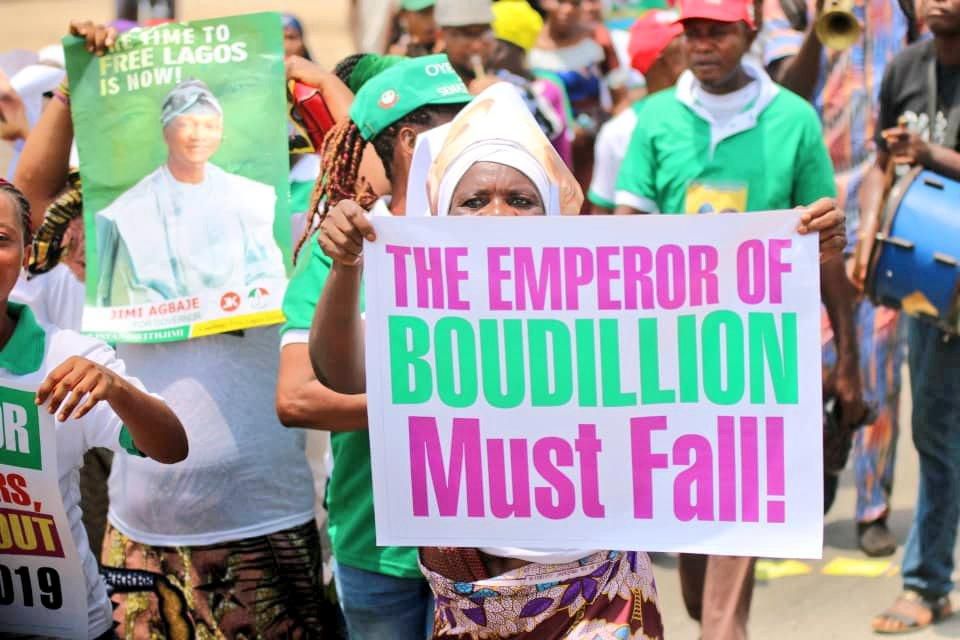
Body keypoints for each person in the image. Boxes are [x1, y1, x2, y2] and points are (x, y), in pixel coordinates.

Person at [613, 0, 865, 637]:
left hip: (760, 365)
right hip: (672, 361)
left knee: (729, 575)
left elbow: (825, 247)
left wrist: (849, 360)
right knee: (695, 578)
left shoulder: (792, 119)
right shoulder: (656, 121)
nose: (702, 44)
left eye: (716, 31)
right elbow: (624, 241)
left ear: (748, 31)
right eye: (692, 32)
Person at [280, 55, 471, 640]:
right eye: (458, 127)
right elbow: (296, 399)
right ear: (411, 140)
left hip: (484, 542)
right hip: (375, 542)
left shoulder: (502, 238)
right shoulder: (339, 245)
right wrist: (423, 407)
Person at [0, 178, 187, 640]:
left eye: (0, 239)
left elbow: (171, 446)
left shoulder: (63, 358)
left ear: (27, 256)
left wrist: (118, 390)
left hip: (61, 625)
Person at [763, 0, 915, 555]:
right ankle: (805, 491)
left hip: (887, 195)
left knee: (878, 361)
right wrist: (819, 27)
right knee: (805, 361)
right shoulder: (788, 7)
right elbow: (787, 89)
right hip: (810, 201)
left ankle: (873, 507)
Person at [852, 0, 960, 631]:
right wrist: (868, 237)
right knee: (937, 442)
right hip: (935, 292)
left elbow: (919, 156)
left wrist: (933, 155)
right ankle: (927, 584)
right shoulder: (906, 69)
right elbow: (881, 166)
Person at [95, 79, 285, 307]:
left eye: (209, 126)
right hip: (163, 340)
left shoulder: (247, 196)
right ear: (166, 131)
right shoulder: (133, 209)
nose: (198, 135)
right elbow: (129, 295)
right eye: (186, 124)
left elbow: (267, 276)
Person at [588, 9, 685, 213]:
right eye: (683, 47)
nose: (699, 49)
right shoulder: (619, 131)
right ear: (662, 61)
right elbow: (602, 213)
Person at [530, 0, 624, 196]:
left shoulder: (597, 40)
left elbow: (621, 96)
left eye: (574, 3)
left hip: (591, 149)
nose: (566, 10)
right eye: (560, 2)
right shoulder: (528, 43)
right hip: (545, 148)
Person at [488, 0, 574, 166]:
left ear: (514, 49)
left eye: (495, 46)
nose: (486, 52)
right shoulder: (486, 82)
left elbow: (563, 151)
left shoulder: (547, 89)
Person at [434, 0, 496, 83]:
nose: (476, 46)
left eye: (484, 32)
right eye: (465, 34)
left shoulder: (508, 75)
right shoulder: (431, 84)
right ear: (441, 36)